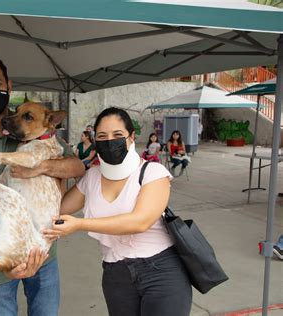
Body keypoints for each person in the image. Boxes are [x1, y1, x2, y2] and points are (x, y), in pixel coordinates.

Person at [0, 56, 85, 315]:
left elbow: (77, 167)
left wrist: (42, 167)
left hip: (42, 250)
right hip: (1, 256)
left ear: (9, 85)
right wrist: (4, 261)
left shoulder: (35, 125)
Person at [43, 107, 192, 316]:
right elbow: (55, 209)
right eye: (102, 136)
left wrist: (79, 224)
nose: (109, 141)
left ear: (131, 137)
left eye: (117, 135)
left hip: (160, 270)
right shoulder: (92, 176)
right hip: (116, 274)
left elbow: (139, 222)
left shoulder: (153, 173)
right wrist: (55, 168)